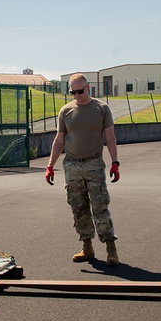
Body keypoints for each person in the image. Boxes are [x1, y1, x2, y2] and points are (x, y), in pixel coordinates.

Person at [45, 73, 121, 265]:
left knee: (100, 206)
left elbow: (110, 137)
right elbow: (59, 140)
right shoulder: (65, 111)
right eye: (73, 92)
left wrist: (115, 162)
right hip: (72, 165)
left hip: (94, 163)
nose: (76, 95)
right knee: (78, 207)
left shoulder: (101, 108)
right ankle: (87, 247)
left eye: (80, 91)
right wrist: (50, 166)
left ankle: (111, 248)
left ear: (88, 88)